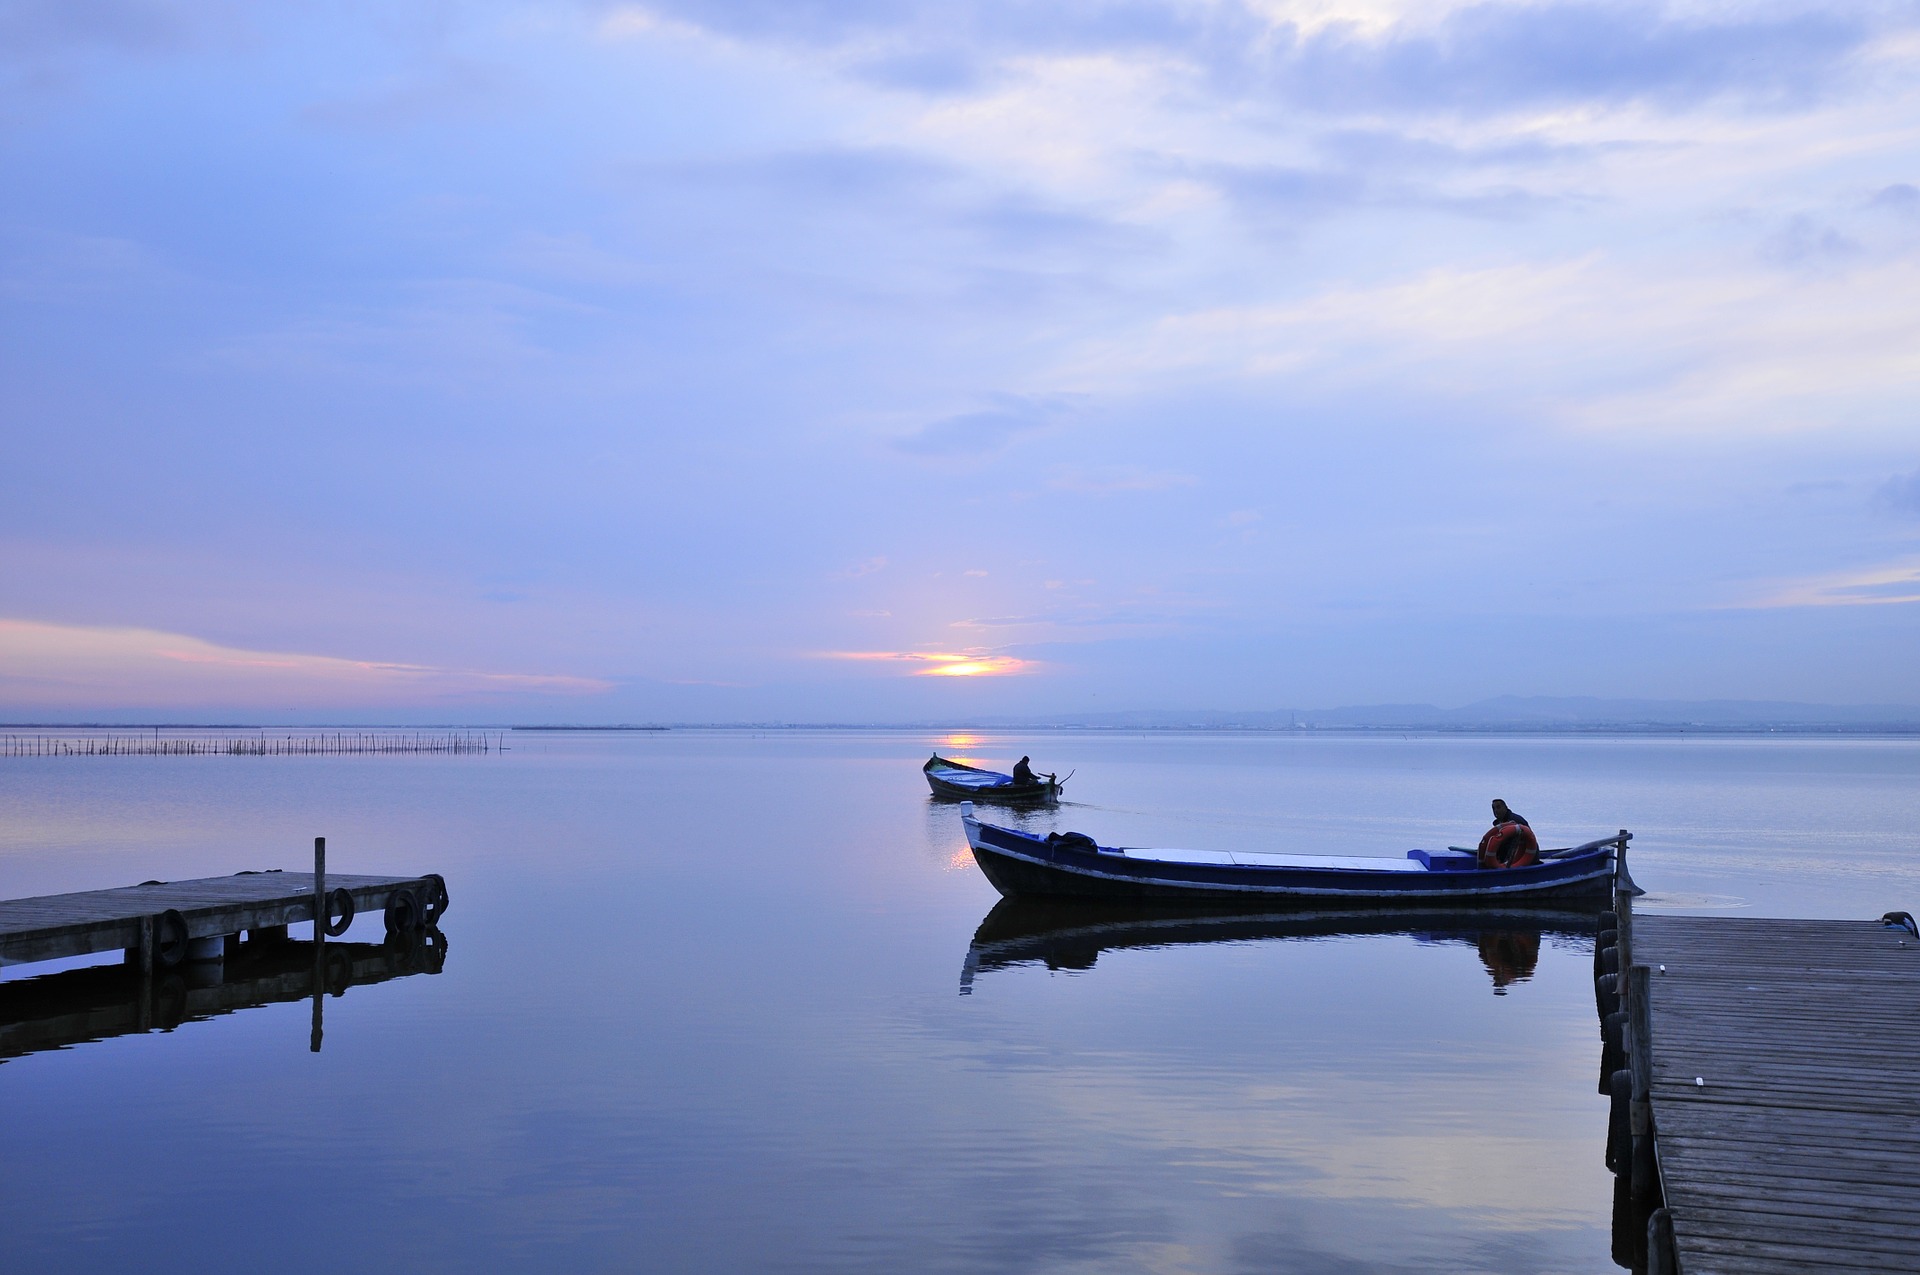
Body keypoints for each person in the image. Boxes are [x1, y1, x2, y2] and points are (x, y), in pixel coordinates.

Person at [1478, 798, 1540, 869]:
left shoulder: (1516, 821)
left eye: (1498, 807)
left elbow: (1529, 839)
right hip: (1510, 858)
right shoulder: (1498, 824)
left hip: (1527, 859)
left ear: (1506, 808)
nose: (1496, 811)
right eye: (1493, 809)